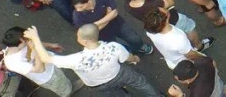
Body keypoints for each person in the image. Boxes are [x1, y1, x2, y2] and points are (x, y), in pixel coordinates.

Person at [24, 24, 161, 97]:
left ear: (84, 41)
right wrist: (134, 59)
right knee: (141, 83)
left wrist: (35, 38)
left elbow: (46, 58)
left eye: (78, 37)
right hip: (120, 74)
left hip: (97, 85)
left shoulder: (76, 59)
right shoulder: (114, 47)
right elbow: (129, 58)